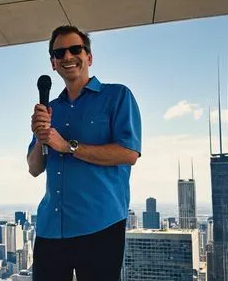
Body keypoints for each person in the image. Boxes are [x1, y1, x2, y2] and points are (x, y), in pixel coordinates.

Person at [27, 25, 142, 281]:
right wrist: (39, 138)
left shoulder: (117, 96)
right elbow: (34, 168)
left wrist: (68, 146)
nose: (67, 56)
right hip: (49, 229)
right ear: (53, 64)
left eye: (75, 49)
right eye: (59, 53)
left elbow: (129, 153)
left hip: (100, 226)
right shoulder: (49, 110)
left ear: (88, 56)